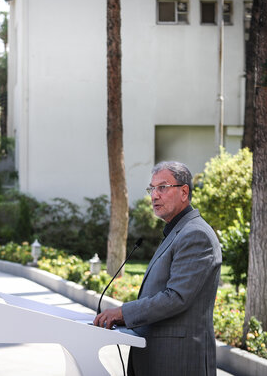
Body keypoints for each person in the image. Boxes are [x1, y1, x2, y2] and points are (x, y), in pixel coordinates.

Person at [94, 161, 222, 376]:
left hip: (178, 361)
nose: (154, 195)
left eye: (162, 187)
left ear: (184, 192)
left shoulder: (195, 235)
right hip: (157, 357)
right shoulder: (177, 232)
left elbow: (176, 297)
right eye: (151, 188)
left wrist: (123, 312)